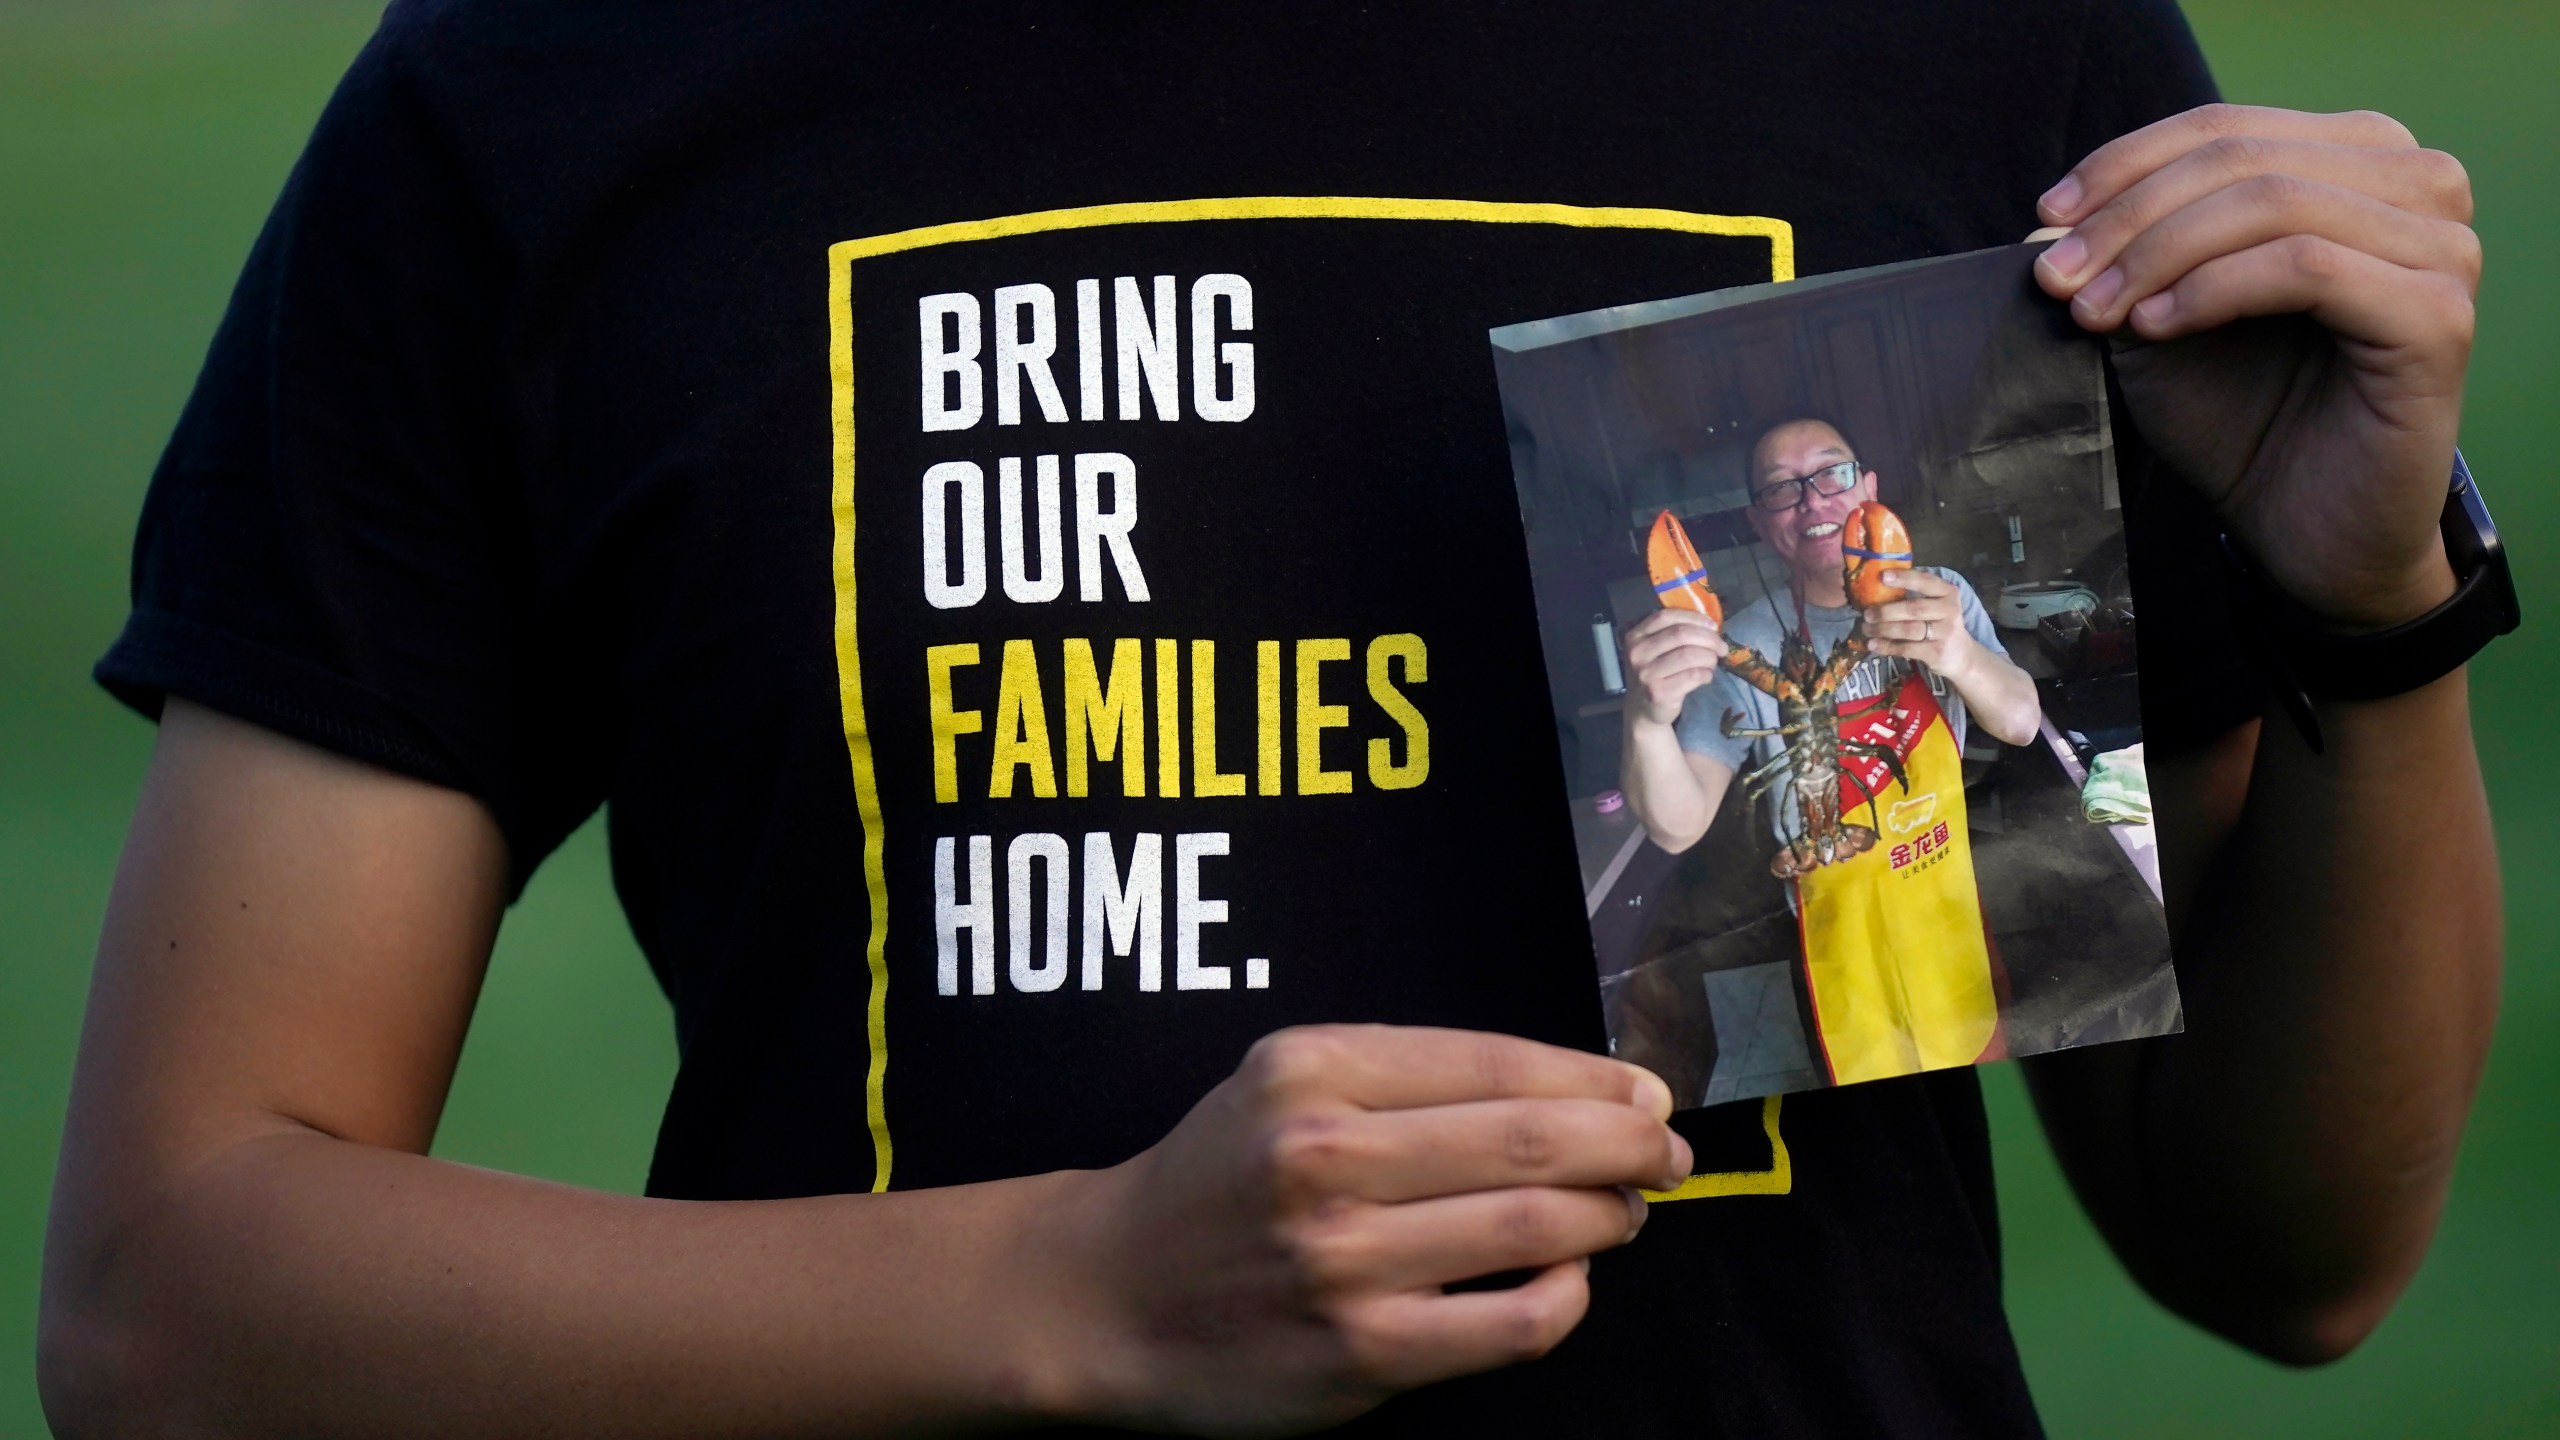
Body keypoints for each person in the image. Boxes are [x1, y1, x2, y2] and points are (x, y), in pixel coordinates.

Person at [37, 3, 2502, 1437]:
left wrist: (2366, 609)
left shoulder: (1946, 45)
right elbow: (169, 1291)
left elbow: (2274, 1245)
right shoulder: (559, 83)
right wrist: (1075, 1288)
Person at [1618, 417, 2044, 859]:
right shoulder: (1728, 645)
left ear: (1869, 488)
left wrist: (1964, 658)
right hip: (1827, 903)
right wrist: (1645, 720)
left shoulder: (1939, 598)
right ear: (1759, 522)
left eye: (1833, 473)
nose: (1812, 500)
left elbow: (2022, 725)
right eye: (1781, 487)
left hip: (1950, 884)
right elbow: (1677, 831)